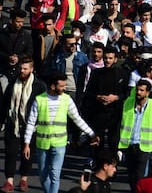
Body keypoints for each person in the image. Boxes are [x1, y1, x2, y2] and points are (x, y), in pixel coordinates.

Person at [23, 72, 99, 193]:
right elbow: (31, 123)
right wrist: (26, 144)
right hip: (42, 144)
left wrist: (92, 134)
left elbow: (77, 119)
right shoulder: (39, 100)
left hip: (59, 144)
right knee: (43, 175)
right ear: (53, 86)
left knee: (54, 174)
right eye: (62, 86)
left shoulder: (67, 100)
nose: (64, 88)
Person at [1, 56, 45, 193]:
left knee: (27, 155)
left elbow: (43, 107)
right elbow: (4, 103)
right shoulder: (13, 82)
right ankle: (9, 181)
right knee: (11, 153)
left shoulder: (39, 85)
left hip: (30, 126)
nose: (22, 71)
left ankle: (24, 179)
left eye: (25, 69)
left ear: (32, 69)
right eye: (21, 68)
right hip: (13, 124)